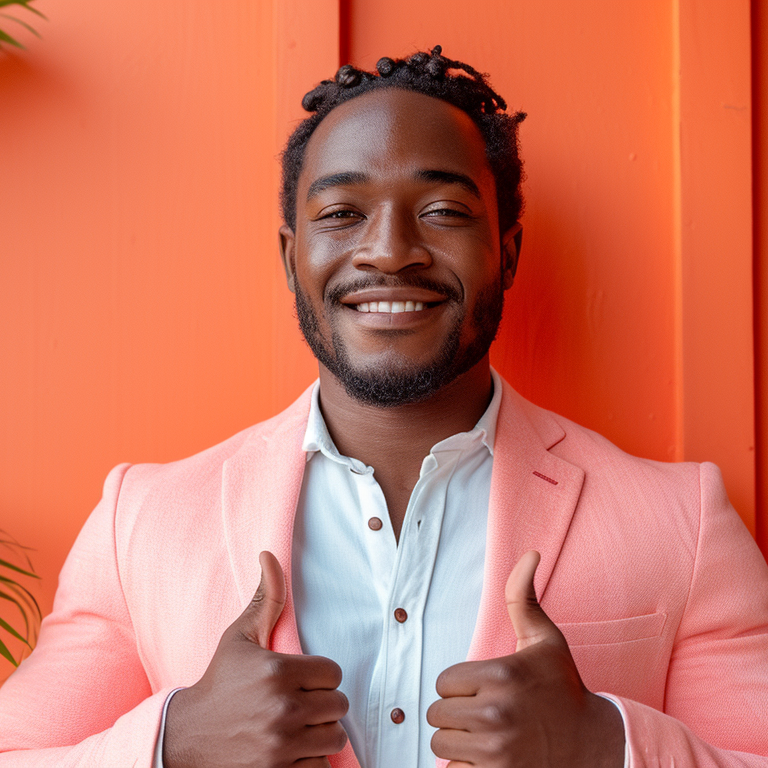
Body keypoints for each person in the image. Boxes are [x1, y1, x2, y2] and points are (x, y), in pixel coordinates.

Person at [0, 46, 767, 768]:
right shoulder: (141, 522)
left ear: (507, 253)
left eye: (443, 210)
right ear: (291, 258)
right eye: (342, 213)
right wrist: (174, 745)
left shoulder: (682, 521)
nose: (391, 251)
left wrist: (608, 747)